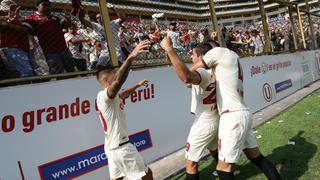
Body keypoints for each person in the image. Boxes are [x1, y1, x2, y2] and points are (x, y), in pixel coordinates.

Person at [191, 43, 282, 180]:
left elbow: (189, 75)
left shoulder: (217, 53)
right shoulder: (232, 56)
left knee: (223, 168)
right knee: (256, 157)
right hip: (242, 112)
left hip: (232, 116)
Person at [160, 36, 219, 180]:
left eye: (193, 54)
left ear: (200, 56)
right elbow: (187, 79)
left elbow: (186, 79)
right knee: (213, 148)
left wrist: (169, 49)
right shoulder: (217, 70)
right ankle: (222, 170)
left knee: (191, 163)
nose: (191, 56)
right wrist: (170, 53)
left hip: (204, 122)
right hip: (215, 118)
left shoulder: (203, 73)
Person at [96, 40, 153, 180]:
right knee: (147, 175)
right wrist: (131, 57)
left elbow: (123, 92)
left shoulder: (111, 97)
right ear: (105, 80)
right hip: (121, 148)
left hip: (112, 149)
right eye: (114, 75)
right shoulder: (104, 96)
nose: (117, 77)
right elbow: (118, 83)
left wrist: (137, 85)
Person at [23, 0, 75, 74]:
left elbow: (67, 25)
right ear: (37, 6)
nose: (47, 7)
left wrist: (68, 19)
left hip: (63, 49)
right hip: (50, 51)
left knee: (71, 70)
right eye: (44, 5)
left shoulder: (55, 17)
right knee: (58, 72)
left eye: (48, 5)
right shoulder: (31, 18)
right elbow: (25, 30)